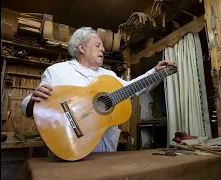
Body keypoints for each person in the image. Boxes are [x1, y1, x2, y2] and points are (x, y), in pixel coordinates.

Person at [21, 26, 174, 153]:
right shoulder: (56, 71)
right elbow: (30, 104)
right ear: (81, 47)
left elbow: (132, 88)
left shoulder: (109, 76)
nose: (103, 49)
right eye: (97, 45)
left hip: (106, 152)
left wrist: (155, 73)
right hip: (69, 151)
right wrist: (31, 101)